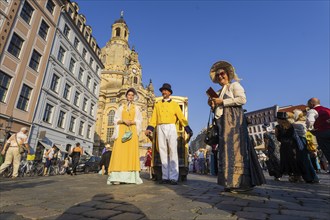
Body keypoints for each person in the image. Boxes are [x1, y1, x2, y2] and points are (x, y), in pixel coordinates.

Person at [208, 60, 265, 193]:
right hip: (223, 122)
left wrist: (222, 101)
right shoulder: (219, 91)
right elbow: (219, 108)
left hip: (233, 122)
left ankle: (241, 183)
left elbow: (242, 100)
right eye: (218, 76)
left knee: (236, 152)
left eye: (222, 74)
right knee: (226, 152)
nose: (220, 77)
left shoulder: (234, 85)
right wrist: (213, 105)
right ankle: (229, 182)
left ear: (228, 74)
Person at [145, 83, 193, 185]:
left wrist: (187, 129)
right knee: (162, 151)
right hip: (160, 127)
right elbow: (154, 118)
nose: (164, 92)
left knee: (173, 151)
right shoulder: (157, 105)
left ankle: (173, 177)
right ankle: (165, 176)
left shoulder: (175, 104)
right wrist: (149, 128)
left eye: (166, 90)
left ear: (169, 92)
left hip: (171, 127)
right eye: (163, 90)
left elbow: (181, 117)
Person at [107, 88, 143, 185]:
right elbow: (115, 120)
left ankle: (131, 178)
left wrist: (133, 122)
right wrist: (123, 121)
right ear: (126, 96)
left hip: (132, 130)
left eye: (132, 95)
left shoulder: (136, 108)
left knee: (130, 152)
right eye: (129, 95)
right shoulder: (121, 107)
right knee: (119, 152)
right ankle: (116, 176)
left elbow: (140, 120)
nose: (130, 96)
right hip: (122, 130)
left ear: (134, 97)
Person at [292, 109, 319, 183]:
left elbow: (292, 136)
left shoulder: (295, 124)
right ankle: (314, 177)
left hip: (300, 142)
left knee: (303, 161)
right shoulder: (304, 122)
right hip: (306, 142)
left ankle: (309, 177)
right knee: (307, 160)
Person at [275, 112, 303, 182]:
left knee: (285, 160)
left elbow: (277, 137)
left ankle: (291, 176)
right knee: (294, 160)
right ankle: (298, 176)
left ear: (279, 119)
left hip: (284, 145)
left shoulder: (278, 127)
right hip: (292, 144)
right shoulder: (291, 125)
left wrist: (281, 138)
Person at [306, 97, 330, 164]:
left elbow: (309, 121)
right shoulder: (327, 109)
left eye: (308, 104)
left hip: (322, 132)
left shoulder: (313, 110)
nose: (308, 106)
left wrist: (311, 129)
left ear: (311, 104)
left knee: (327, 150)